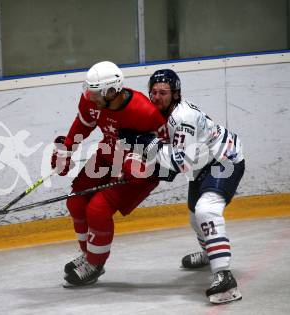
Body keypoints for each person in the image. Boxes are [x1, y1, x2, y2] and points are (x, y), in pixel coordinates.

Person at [119, 69, 245, 304]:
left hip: (224, 160)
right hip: (203, 162)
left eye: (163, 93)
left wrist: (149, 150)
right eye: (154, 92)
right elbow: (178, 161)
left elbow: (182, 162)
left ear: (175, 94)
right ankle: (210, 253)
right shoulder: (164, 115)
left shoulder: (182, 117)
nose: (157, 97)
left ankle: (224, 277)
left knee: (206, 210)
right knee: (193, 215)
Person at [50, 61, 166, 287]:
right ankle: (88, 255)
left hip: (135, 169)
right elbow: (83, 124)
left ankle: (94, 264)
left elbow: (167, 149)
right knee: (75, 202)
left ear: (112, 92)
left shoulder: (145, 112)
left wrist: (143, 167)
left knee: (97, 209)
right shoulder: (92, 100)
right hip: (108, 154)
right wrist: (68, 149)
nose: (89, 96)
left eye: (95, 93)